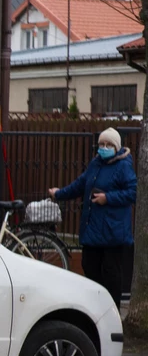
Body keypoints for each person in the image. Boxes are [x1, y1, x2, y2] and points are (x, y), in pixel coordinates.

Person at [50, 127, 136, 308]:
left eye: (108, 144)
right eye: (102, 144)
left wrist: (108, 198)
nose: (104, 147)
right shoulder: (95, 164)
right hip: (93, 229)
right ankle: (96, 308)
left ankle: (112, 309)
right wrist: (59, 193)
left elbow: (133, 192)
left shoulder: (123, 166)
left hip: (113, 231)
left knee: (111, 273)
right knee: (89, 267)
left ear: (117, 147)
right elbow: (80, 184)